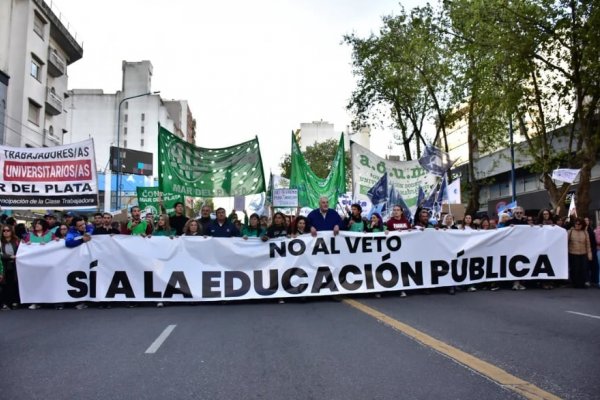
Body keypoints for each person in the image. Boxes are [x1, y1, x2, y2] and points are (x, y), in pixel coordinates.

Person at [568, 218, 592, 288]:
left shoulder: (585, 232)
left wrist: (589, 254)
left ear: (582, 225)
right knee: (575, 268)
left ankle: (582, 283)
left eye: (579, 224)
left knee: (584, 268)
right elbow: (566, 242)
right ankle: (575, 283)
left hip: (583, 253)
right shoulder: (570, 232)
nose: (577, 225)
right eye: (576, 224)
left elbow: (588, 244)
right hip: (573, 253)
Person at [0, 225, 20, 309]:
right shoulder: (1, 242)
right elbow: (0, 254)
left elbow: (22, 250)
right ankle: (6, 302)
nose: (6, 232)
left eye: (8, 230)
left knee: (15, 283)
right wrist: (9, 257)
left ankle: (15, 301)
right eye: (4, 231)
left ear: (11, 231)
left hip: (15, 265)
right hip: (4, 265)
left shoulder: (17, 241)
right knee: (5, 284)